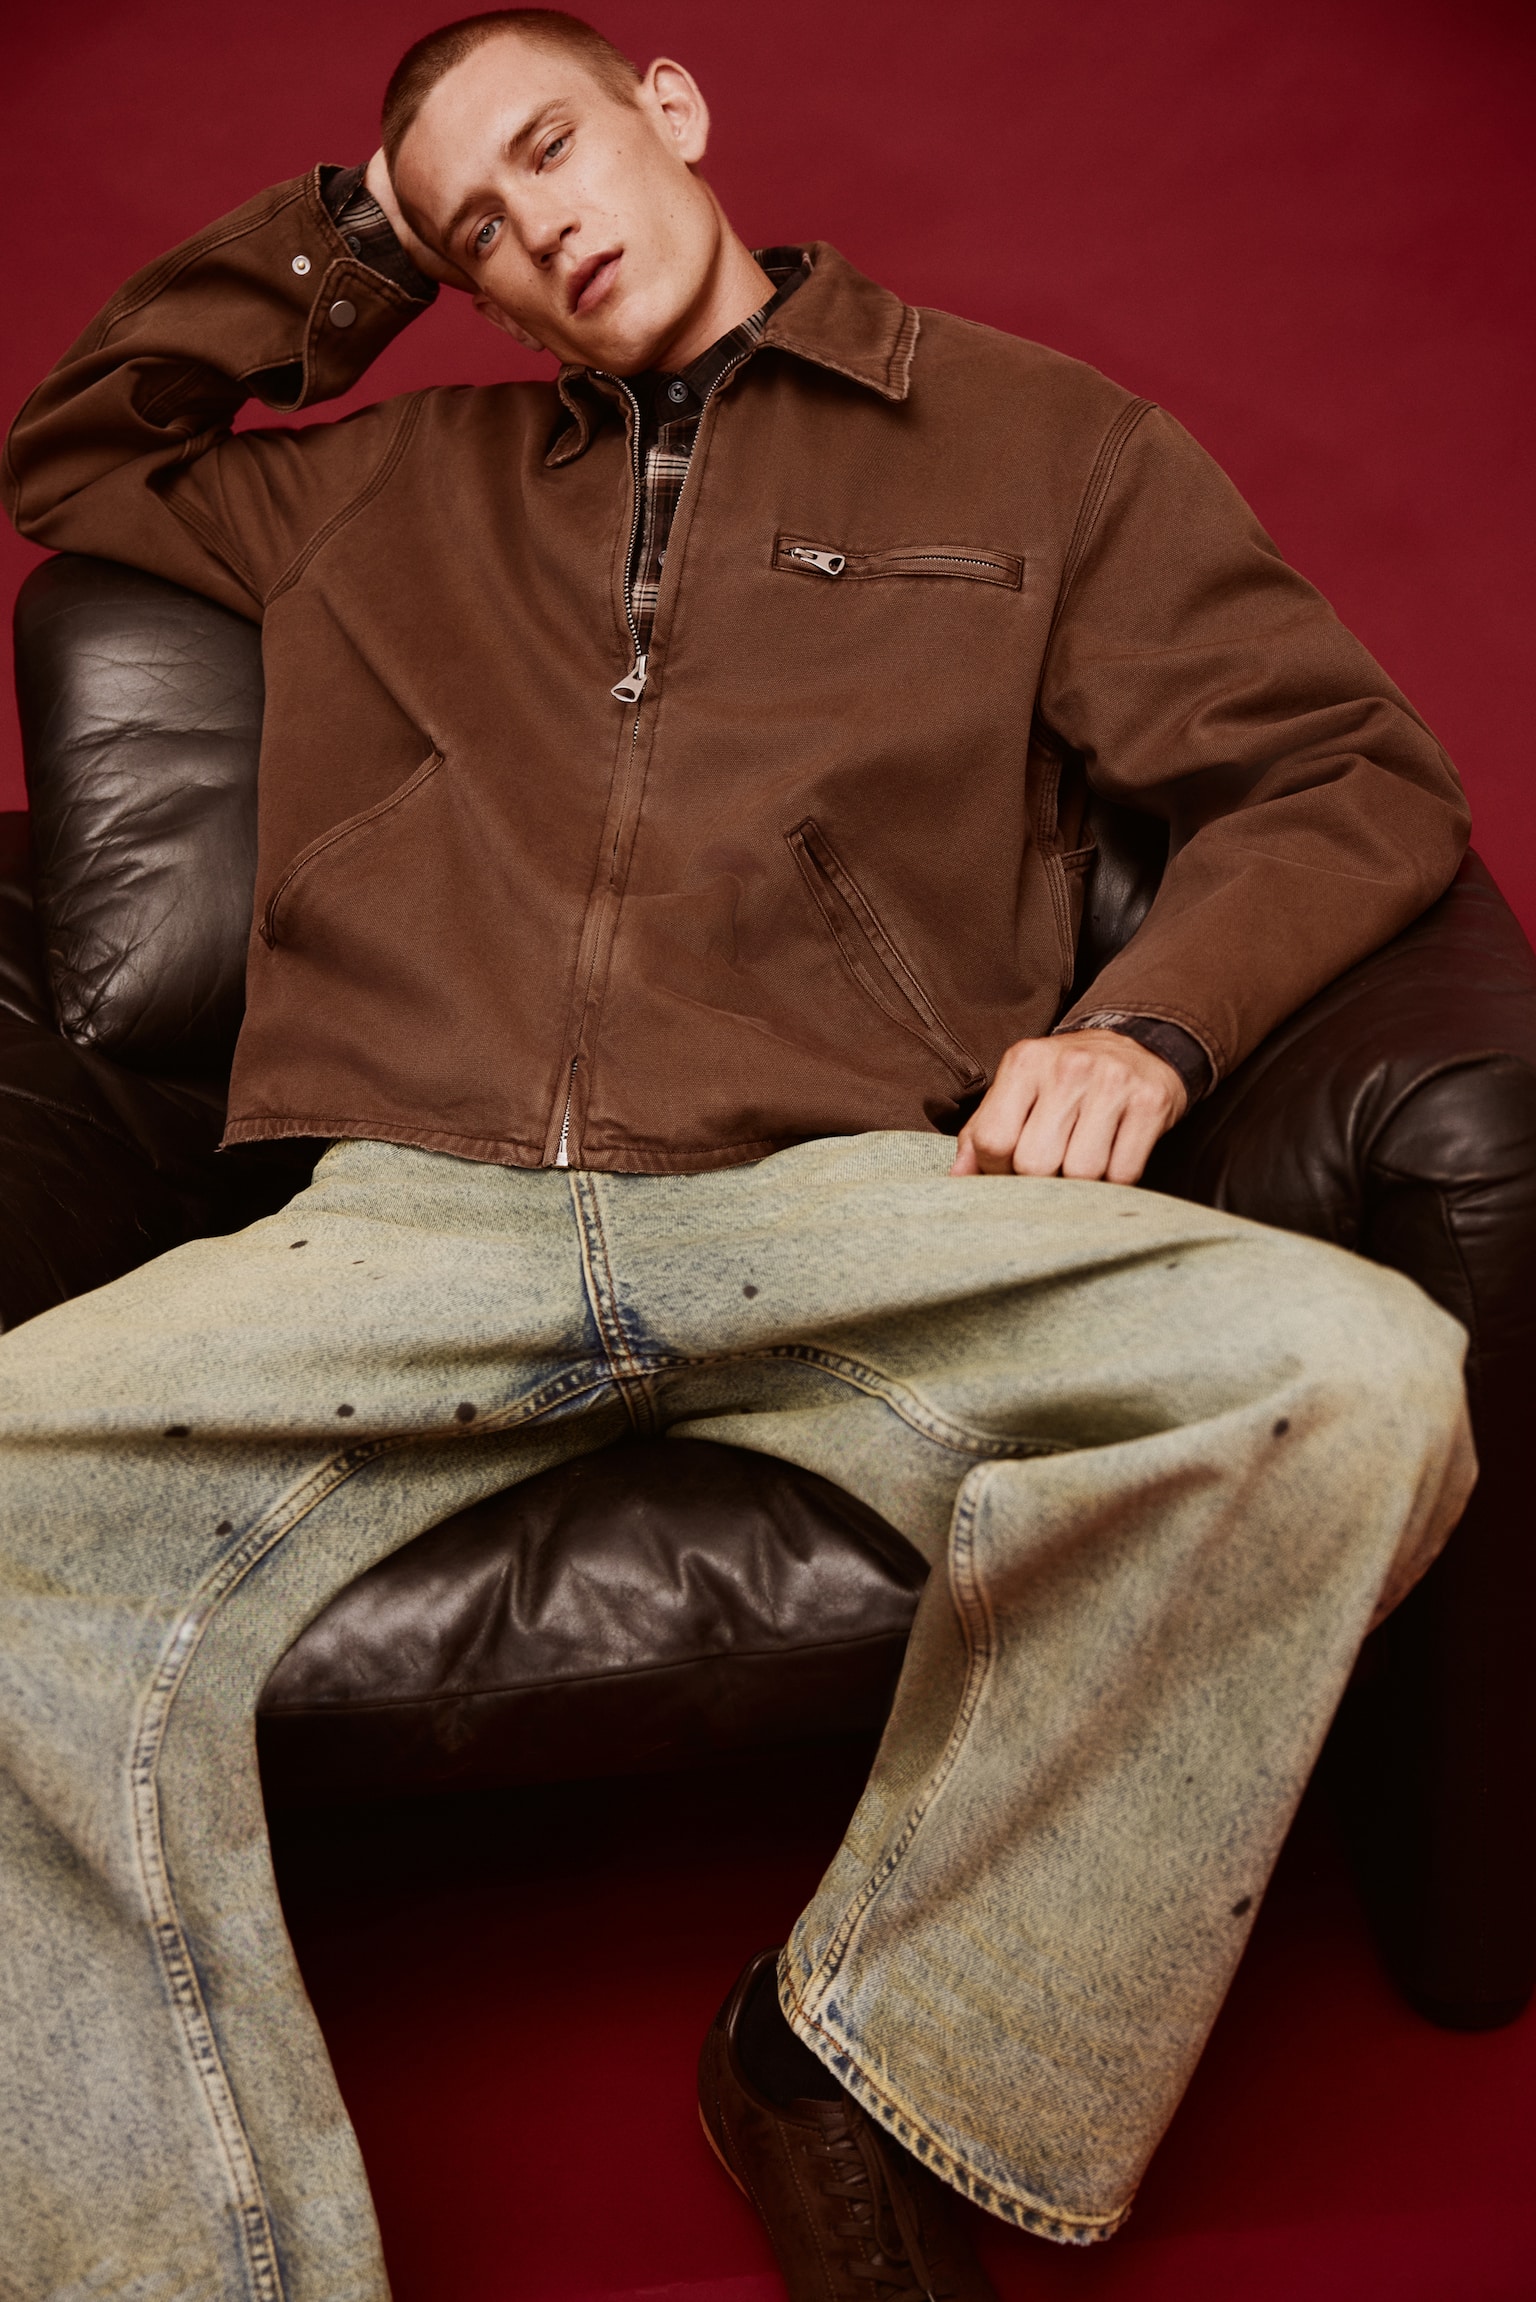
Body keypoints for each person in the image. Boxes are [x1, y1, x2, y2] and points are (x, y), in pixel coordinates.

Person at [0, 11, 1477, 2300]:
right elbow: (77, 450)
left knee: (1364, 1376)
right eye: (477, 224)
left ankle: (851, 2052)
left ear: (670, 108)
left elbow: (1343, 772)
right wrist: (363, 235)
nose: (540, 224)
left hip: (851, 1195)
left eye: (553, 146)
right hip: (413, 1212)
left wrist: (1148, 1025)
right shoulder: (383, 486)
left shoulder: (1042, 439)